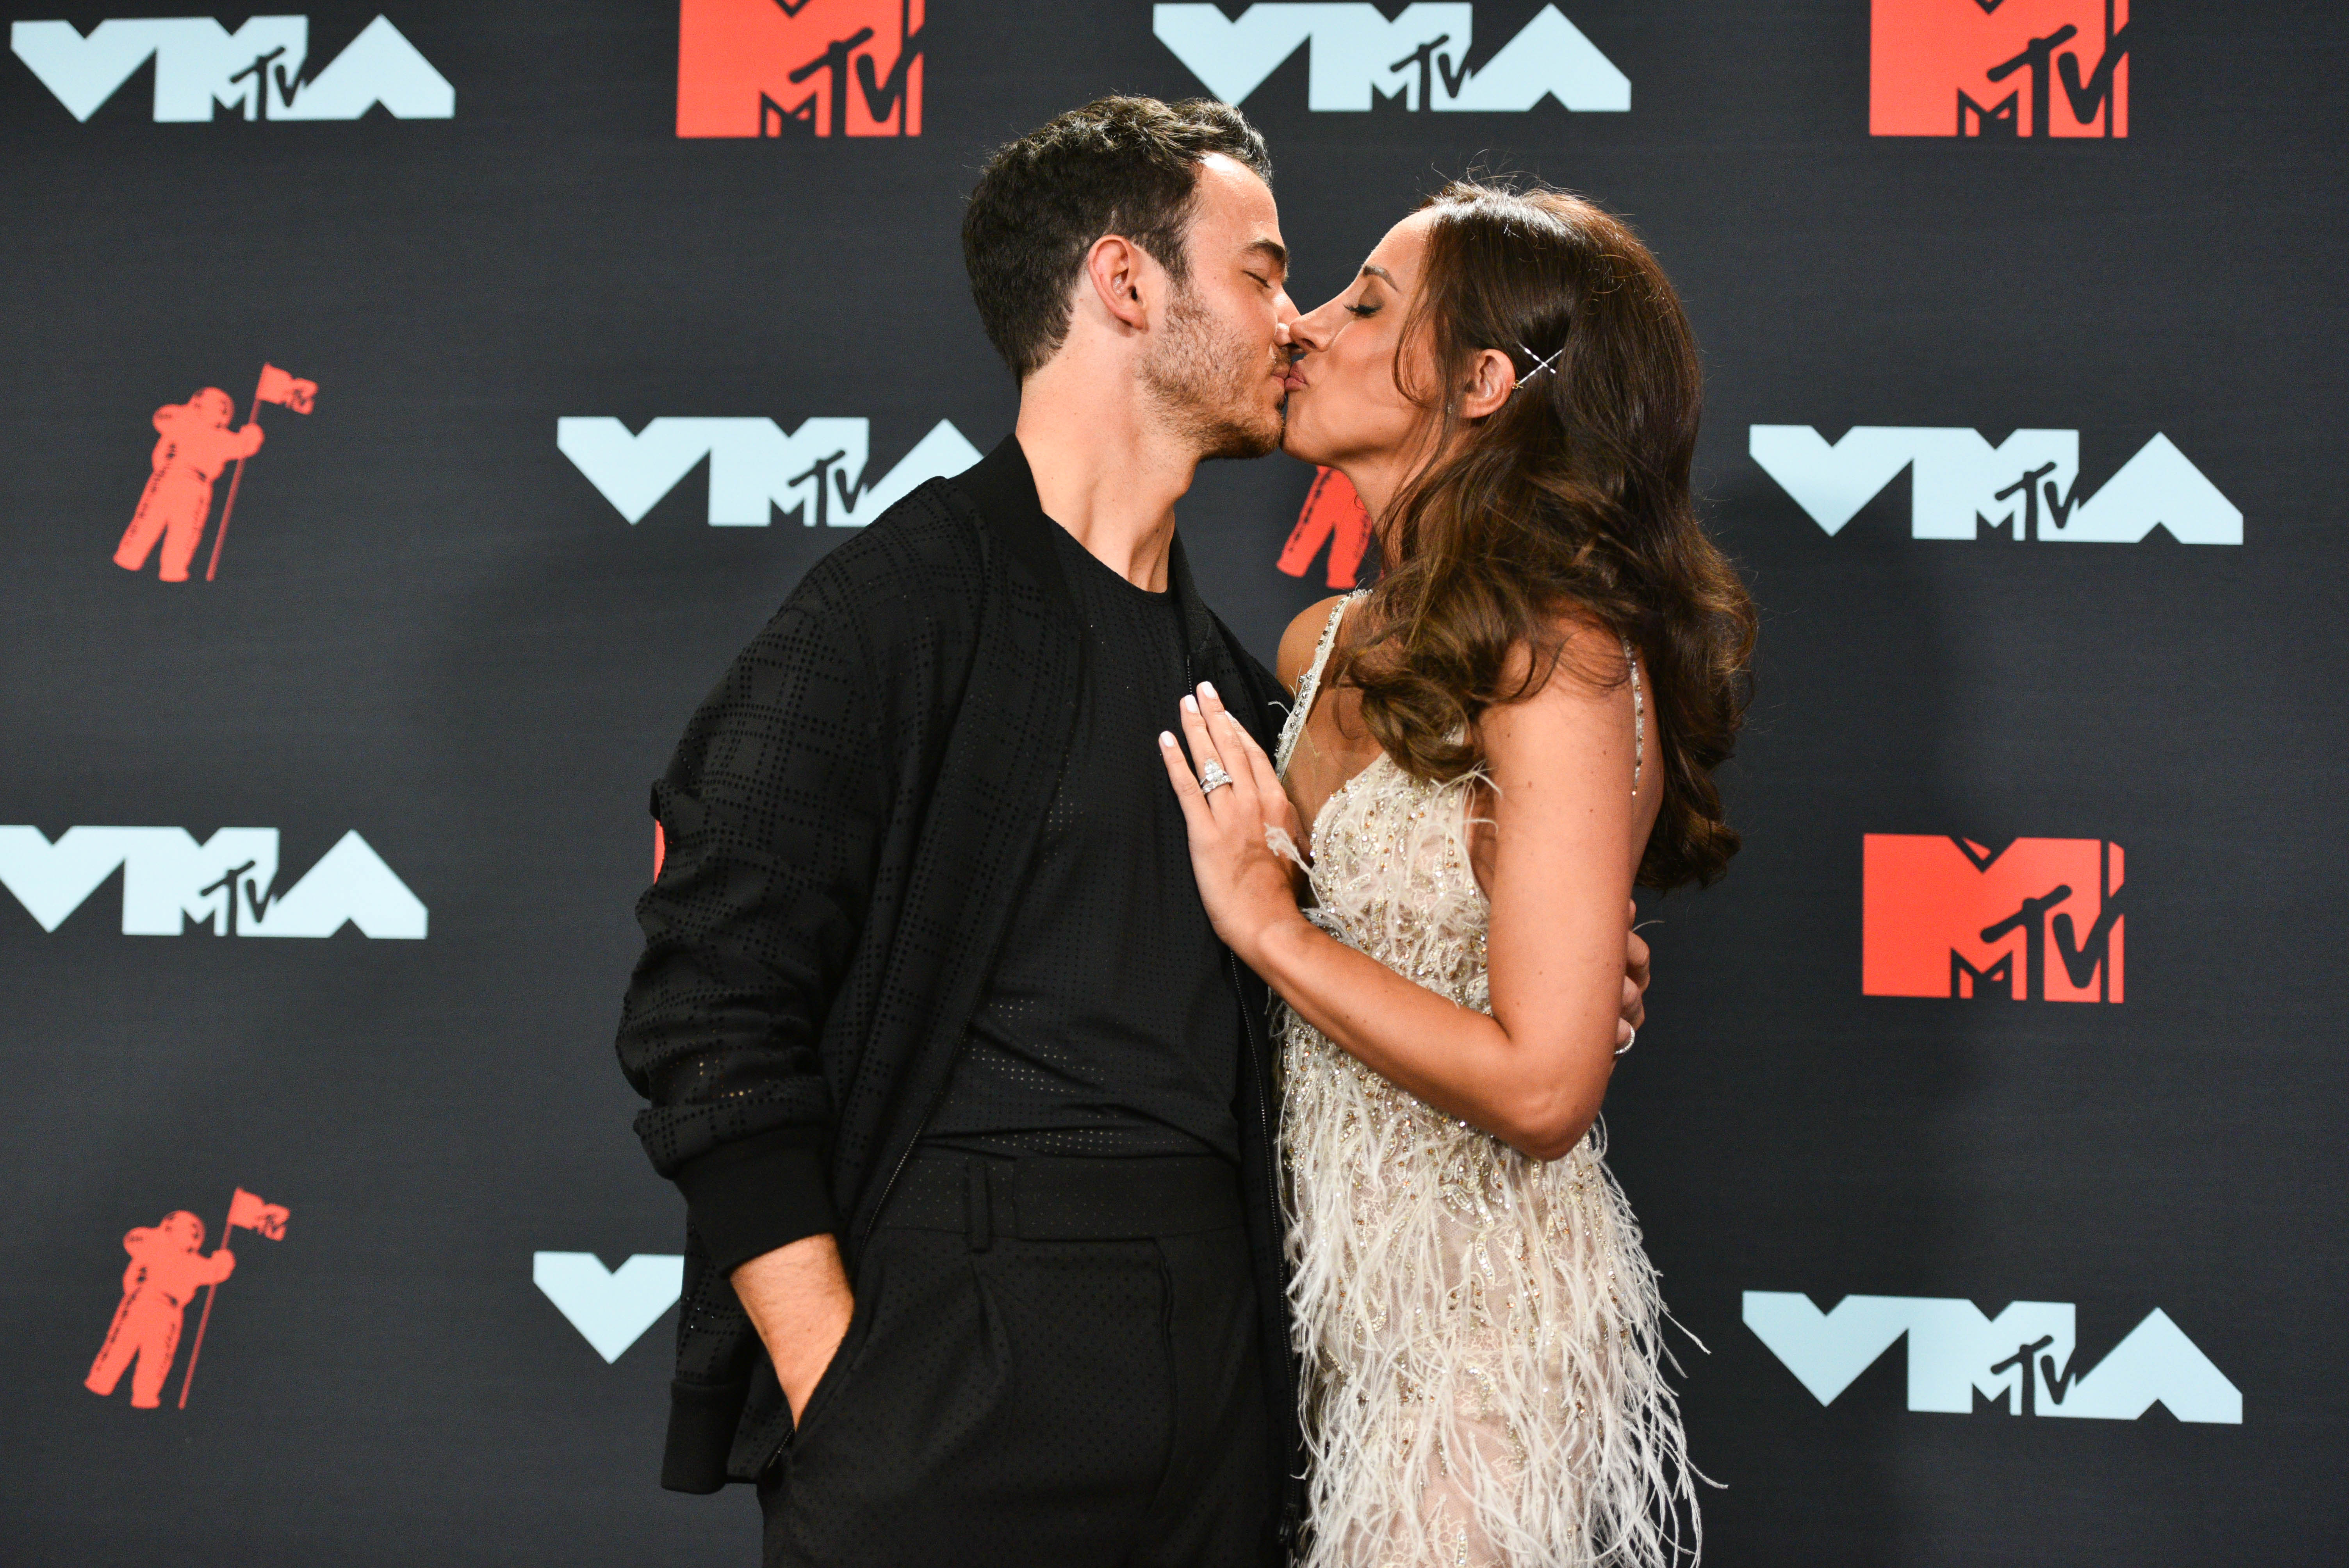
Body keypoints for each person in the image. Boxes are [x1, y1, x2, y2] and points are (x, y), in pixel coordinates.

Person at [615, 104, 1650, 1567]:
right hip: (948, 1387)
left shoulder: (1247, 682)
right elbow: (706, 1009)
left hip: (1229, 1394)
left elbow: (1382, 945)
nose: (1294, 323)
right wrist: (837, 1385)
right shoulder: (889, 613)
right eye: (1264, 275)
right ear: (1123, 287)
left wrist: (1546, 956)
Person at [1160, 183, 1755, 1566]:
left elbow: (1543, 1088)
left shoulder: (1563, 660)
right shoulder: (1316, 648)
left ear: (1484, 382)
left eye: (1364, 303)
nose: (1303, 328)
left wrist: (1266, 921)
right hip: (1298, 1310)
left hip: (1472, 1343)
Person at [114, 388, 263, 583]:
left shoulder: (221, 438)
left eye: (220, 409)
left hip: (197, 485)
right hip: (170, 476)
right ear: (197, 405)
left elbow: (243, 447)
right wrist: (187, 413)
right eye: (209, 405)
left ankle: (174, 570)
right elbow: (162, 418)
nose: (215, 411)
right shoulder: (181, 422)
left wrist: (252, 436)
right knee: (149, 519)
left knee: (185, 529)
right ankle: (129, 558)